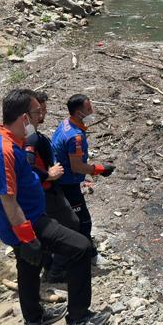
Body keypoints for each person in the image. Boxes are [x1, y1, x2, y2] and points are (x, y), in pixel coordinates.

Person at [0, 89, 110, 325]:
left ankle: (34, 318)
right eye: (36, 112)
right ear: (24, 118)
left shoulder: (4, 141)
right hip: (27, 222)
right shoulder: (5, 150)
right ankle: (79, 319)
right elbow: (8, 200)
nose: (40, 116)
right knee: (80, 247)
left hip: (24, 220)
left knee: (28, 266)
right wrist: (28, 238)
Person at [51, 94, 115, 263]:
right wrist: (99, 169)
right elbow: (77, 166)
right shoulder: (75, 137)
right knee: (83, 221)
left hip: (60, 179)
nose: (92, 111)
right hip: (67, 183)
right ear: (79, 113)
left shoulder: (65, 124)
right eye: (88, 109)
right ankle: (89, 255)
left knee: (67, 218)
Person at [25, 91, 81, 283]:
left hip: (45, 189)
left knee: (49, 228)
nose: (44, 114)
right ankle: (56, 270)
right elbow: (28, 164)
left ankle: (49, 264)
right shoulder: (30, 138)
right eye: (40, 110)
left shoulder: (31, 134)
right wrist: (48, 174)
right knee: (72, 224)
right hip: (47, 191)